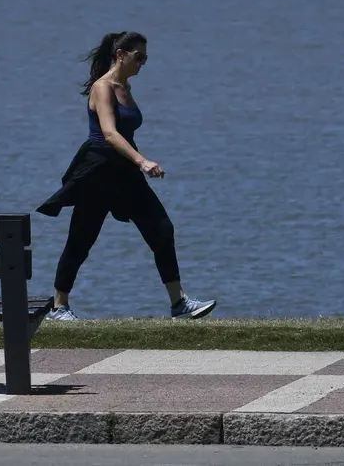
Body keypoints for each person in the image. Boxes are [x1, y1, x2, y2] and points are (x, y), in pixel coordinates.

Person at [36, 31, 217, 321]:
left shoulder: (126, 87)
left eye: (146, 58)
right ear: (121, 55)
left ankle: (179, 304)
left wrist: (138, 161)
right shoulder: (103, 87)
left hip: (125, 172)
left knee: (161, 230)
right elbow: (109, 133)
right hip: (98, 172)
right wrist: (142, 161)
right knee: (81, 239)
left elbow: (125, 135)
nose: (142, 63)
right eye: (138, 57)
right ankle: (59, 307)